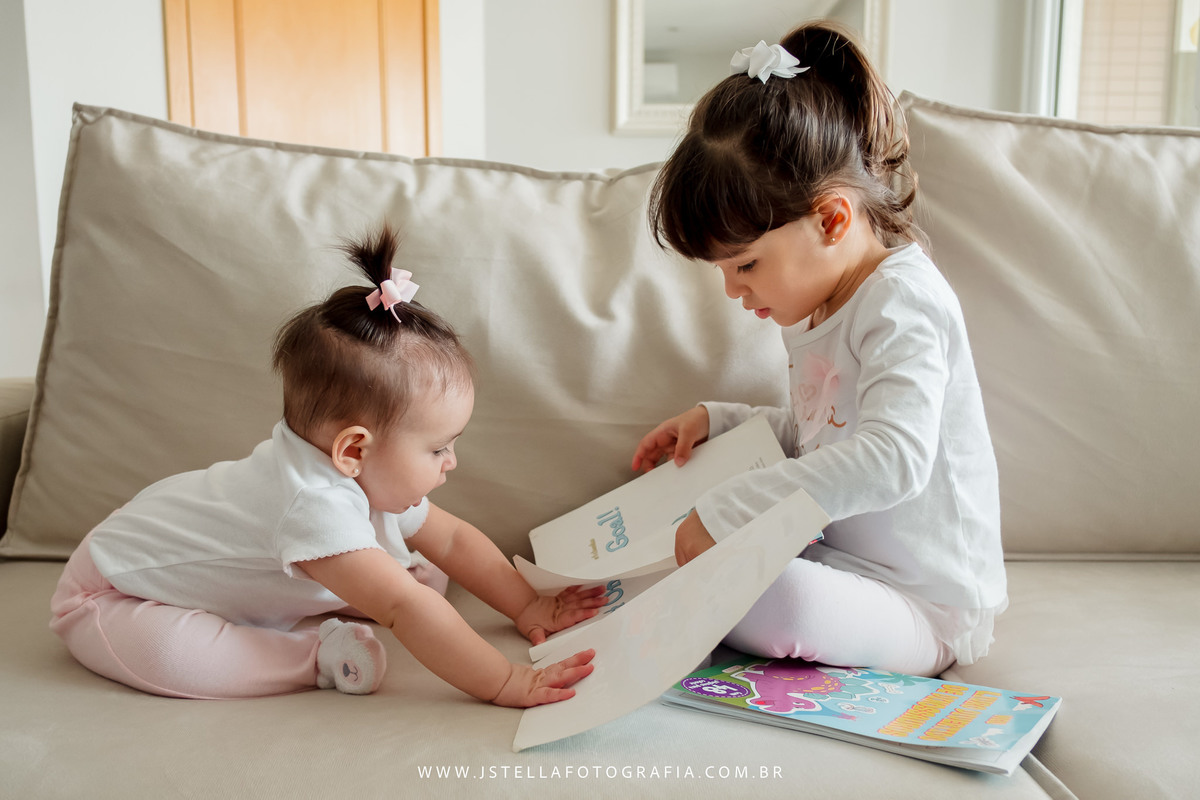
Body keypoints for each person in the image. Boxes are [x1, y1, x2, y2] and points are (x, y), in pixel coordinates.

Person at [50, 224, 602, 705]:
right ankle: (318, 656)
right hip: (115, 588)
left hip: (219, 551)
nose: (451, 462)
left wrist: (529, 605)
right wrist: (507, 681)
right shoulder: (311, 504)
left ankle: (351, 589)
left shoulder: (359, 475)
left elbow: (454, 541)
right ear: (353, 451)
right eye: (438, 448)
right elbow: (404, 609)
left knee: (424, 566)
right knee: (170, 654)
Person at [631, 24, 1006, 677]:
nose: (732, 290)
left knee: (777, 599)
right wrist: (723, 421)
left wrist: (729, 511)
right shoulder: (820, 307)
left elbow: (893, 459)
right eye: (723, 270)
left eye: (746, 264)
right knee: (701, 564)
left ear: (832, 219)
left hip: (926, 602)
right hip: (844, 566)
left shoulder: (901, 300)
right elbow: (826, 437)